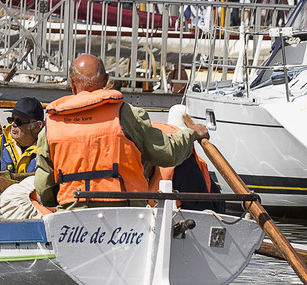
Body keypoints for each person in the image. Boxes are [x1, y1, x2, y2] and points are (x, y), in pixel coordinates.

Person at [34, 53, 209, 209]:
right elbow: (167, 152)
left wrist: (56, 203)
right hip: (126, 211)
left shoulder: (52, 123)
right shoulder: (127, 115)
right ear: (106, 81)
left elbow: (44, 186)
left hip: (73, 213)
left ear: (71, 84)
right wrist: (192, 133)